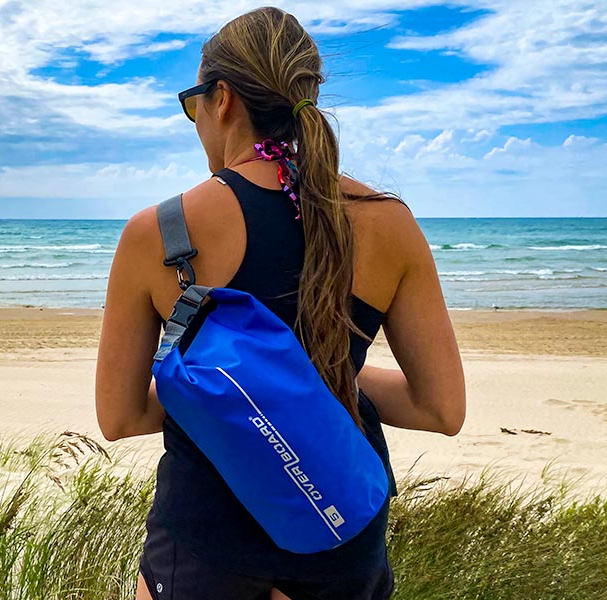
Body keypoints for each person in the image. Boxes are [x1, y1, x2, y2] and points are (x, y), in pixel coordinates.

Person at [94, 6, 466, 600]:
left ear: (222, 100)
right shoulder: (389, 223)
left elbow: (121, 418)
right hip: (340, 536)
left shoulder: (162, 233)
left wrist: (232, 385)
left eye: (192, 105)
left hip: (204, 546)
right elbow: (439, 409)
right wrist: (313, 377)